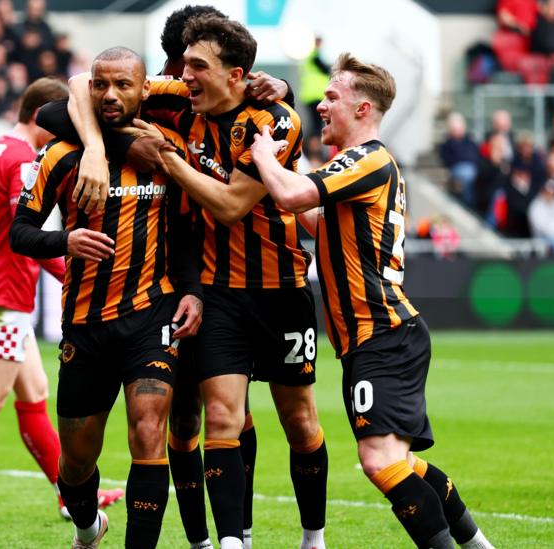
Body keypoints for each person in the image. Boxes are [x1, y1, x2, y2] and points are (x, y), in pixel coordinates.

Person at [62, 14, 328, 549]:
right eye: (181, 65)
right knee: (217, 416)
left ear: (235, 74)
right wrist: (100, 146)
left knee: (297, 420)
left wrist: (164, 158)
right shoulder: (177, 98)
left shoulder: (271, 118)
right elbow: (73, 89)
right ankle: (227, 540)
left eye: (195, 66)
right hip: (211, 290)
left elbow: (230, 205)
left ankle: (312, 537)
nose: (183, 76)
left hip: (280, 287)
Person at [249, 52, 496, 549]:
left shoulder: (367, 159)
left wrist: (259, 154)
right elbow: (316, 224)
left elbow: (296, 199)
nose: (322, 105)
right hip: (378, 335)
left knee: (380, 462)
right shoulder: (360, 166)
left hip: (379, 332)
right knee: (401, 463)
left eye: (332, 97)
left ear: (362, 109)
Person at [11, 47, 203, 549]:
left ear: (146, 91)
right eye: (101, 85)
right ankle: (86, 527)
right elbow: (21, 233)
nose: (111, 95)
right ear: (89, 89)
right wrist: (65, 240)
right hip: (86, 325)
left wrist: (193, 293)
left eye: (123, 85)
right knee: (76, 460)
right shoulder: (60, 155)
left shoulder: (166, 150)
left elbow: (184, 232)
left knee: (147, 432)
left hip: (151, 316)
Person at [0, 77, 123, 529]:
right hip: (2, 292)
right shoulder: (21, 161)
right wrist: (74, 272)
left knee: (33, 396)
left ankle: (69, 495)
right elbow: (26, 235)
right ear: (42, 115)